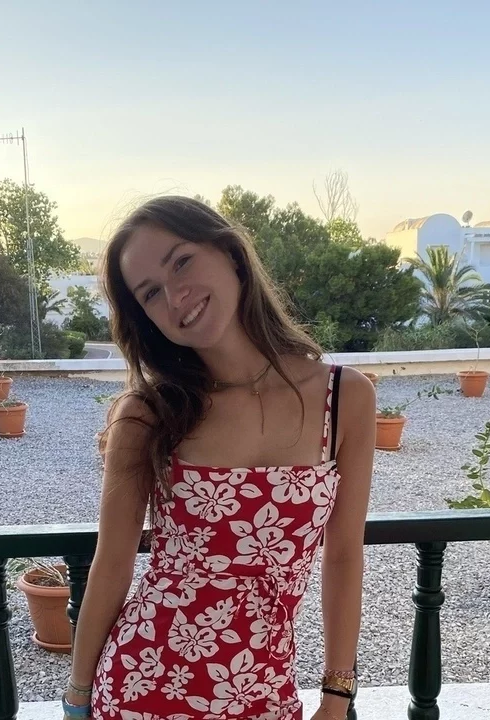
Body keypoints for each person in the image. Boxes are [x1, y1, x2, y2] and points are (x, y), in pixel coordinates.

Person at [62, 196, 375, 720]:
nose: (175, 295)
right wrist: (77, 700)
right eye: (150, 293)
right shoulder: (149, 413)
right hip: (140, 686)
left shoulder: (345, 398)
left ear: (230, 252)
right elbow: (113, 562)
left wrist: (337, 695)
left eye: (181, 262)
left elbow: (343, 555)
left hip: (263, 691)